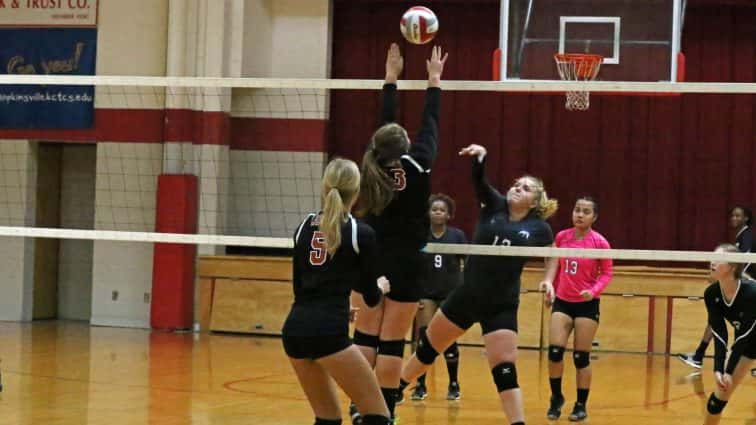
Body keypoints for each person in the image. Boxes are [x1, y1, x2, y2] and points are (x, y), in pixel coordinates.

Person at [399, 143, 558, 425]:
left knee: (504, 369)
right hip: (467, 295)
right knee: (427, 349)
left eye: (526, 188)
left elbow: (553, 254)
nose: (517, 188)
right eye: (516, 184)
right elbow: (479, 181)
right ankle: (395, 392)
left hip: (501, 304)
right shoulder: (494, 206)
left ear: (535, 202)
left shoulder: (539, 228)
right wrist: (481, 159)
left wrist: (548, 280)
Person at [349, 43, 447, 423]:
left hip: (370, 256)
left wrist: (390, 77)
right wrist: (433, 80)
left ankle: (359, 403)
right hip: (408, 260)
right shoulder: (419, 162)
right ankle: (383, 412)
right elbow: (431, 124)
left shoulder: (370, 166)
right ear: (404, 144)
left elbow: (384, 125)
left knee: (365, 338)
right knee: (392, 341)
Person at [282, 158, 392, 425]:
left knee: (328, 419)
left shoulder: (303, 228)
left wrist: (339, 311)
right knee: (378, 417)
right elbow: (370, 296)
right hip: (327, 332)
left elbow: (301, 288)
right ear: (357, 192)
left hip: (295, 330)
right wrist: (381, 287)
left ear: (325, 188)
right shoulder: (359, 233)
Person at [539, 196, 613, 421]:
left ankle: (581, 404)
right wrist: (549, 284)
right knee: (554, 353)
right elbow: (552, 263)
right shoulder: (562, 237)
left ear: (594, 217)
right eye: (577, 210)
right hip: (562, 301)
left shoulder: (600, 243)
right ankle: (556, 397)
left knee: (581, 357)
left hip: (587, 305)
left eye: (586, 211)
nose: (580, 214)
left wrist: (595, 290)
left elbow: (607, 272)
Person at [677, 205, 753, 369]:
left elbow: (744, 263)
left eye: (738, 216)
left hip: (745, 287)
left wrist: (734, 279)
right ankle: (699, 355)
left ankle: (700, 355)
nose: (734, 219)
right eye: (732, 216)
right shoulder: (741, 236)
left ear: (746, 218)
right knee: (715, 319)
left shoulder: (747, 236)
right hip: (735, 285)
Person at [410, 193, 467, 401]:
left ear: (449, 215)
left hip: (450, 293)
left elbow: (466, 263)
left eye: (442, 210)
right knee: (424, 338)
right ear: (428, 213)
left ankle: (453, 383)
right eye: (434, 209)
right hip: (426, 293)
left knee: (447, 338)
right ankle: (420, 384)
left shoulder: (457, 235)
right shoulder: (421, 234)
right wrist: (413, 293)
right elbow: (412, 266)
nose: (438, 213)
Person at [701, 244, 756, 425]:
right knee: (716, 403)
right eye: (713, 257)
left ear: (732, 266)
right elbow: (719, 333)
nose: (713, 261)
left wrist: (729, 370)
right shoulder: (712, 294)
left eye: (719, 259)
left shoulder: (752, 293)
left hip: (747, 339)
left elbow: (743, 335)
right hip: (751, 345)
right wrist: (718, 369)